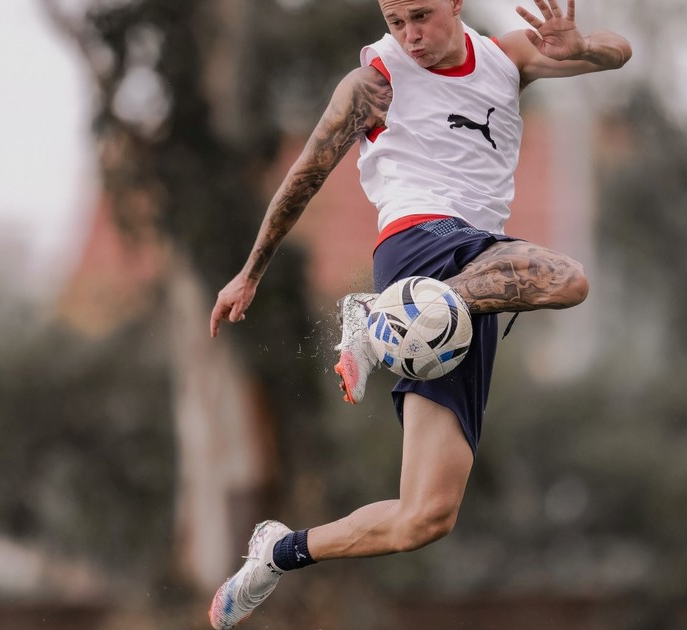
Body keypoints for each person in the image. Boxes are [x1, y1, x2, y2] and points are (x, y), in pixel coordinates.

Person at [207, 0, 630, 627]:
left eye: (422, 16)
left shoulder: (507, 58)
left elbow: (619, 51)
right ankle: (385, 313)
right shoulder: (375, 81)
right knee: (571, 280)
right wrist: (251, 271)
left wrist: (584, 48)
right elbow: (305, 175)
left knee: (425, 517)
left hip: (477, 273)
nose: (410, 36)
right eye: (395, 20)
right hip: (417, 239)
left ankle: (278, 551)